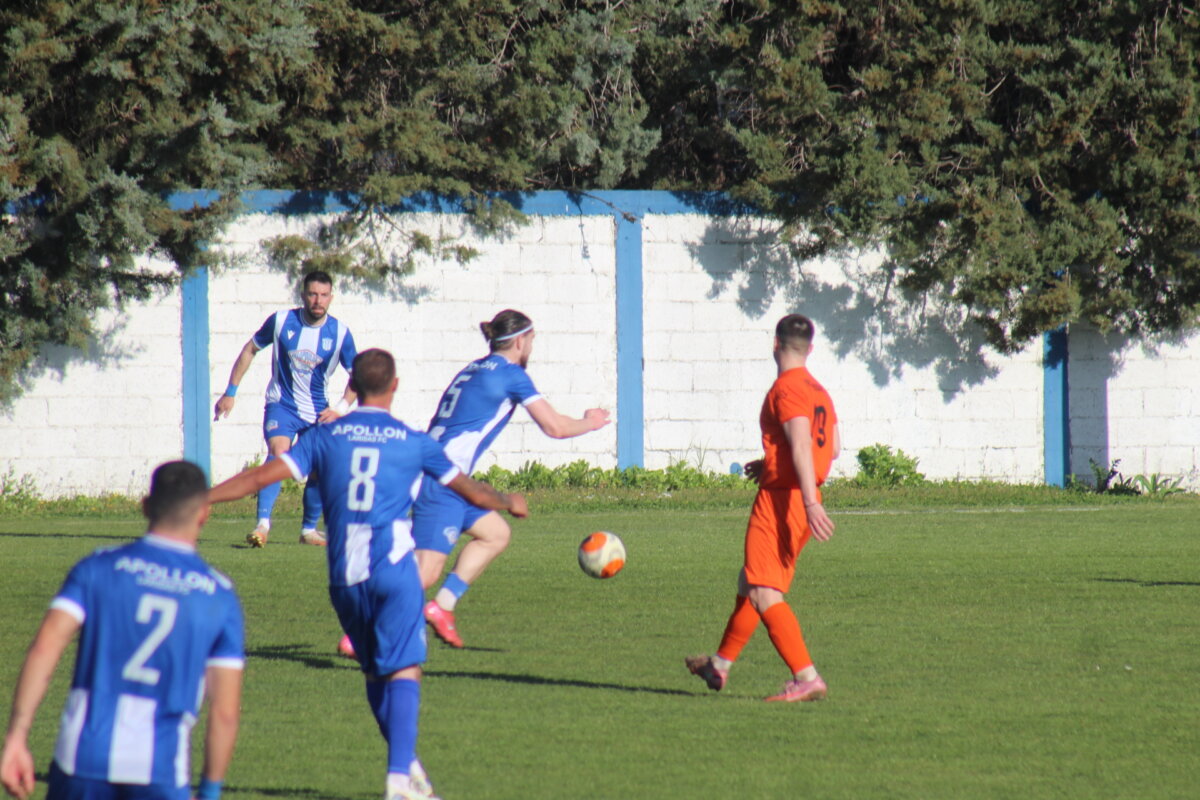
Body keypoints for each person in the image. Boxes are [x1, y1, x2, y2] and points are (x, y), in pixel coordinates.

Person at [208, 348, 527, 800]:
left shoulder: (325, 438)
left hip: (344, 577)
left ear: (352, 387)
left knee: (376, 673)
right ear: (394, 386)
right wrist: (507, 501)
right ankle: (398, 780)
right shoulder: (414, 442)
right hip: (394, 571)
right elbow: (469, 490)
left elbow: (259, 478)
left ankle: (408, 770)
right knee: (406, 670)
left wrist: (203, 498)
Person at [1, 461, 244, 800]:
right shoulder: (219, 595)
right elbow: (225, 712)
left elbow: (45, 647)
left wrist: (16, 736)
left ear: (146, 506)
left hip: (81, 759)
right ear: (204, 513)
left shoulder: (98, 567)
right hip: (160, 768)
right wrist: (210, 792)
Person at [409, 308, 609, 650]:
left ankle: (442, 606)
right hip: (443, 479)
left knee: (495, 534)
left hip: (448, 476)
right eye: (531, 340)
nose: (531, 347)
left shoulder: (474, 368)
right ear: (519, 341)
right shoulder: (511, 375)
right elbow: (555, 427)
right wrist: (592, 422)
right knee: (425, 572)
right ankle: (361, 629)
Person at [686, 313, 841, 702]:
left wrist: (808, 500)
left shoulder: (787, 389)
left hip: (783, 500)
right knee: (750, 582)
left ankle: (806, 677)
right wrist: (773, 463)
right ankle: (720, 665)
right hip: (796, 495)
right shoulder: (819, 391)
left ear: (775, 344)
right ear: (810, 349)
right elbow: (833, 448)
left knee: (764, 593)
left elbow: (802, 443)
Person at [213, 269, 358, 548]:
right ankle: (262, 526)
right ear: (303, 295)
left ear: (331, 297)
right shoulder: (281, 321)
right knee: (279, 453)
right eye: (312, 294)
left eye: (324, 295)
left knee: (319, 468)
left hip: (318, 410)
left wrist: (340, 408)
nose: (318, 300)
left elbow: (358, 376)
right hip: (282, 404)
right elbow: (250, 349)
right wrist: (230, 393)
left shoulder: (340, 333)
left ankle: (308, 531)